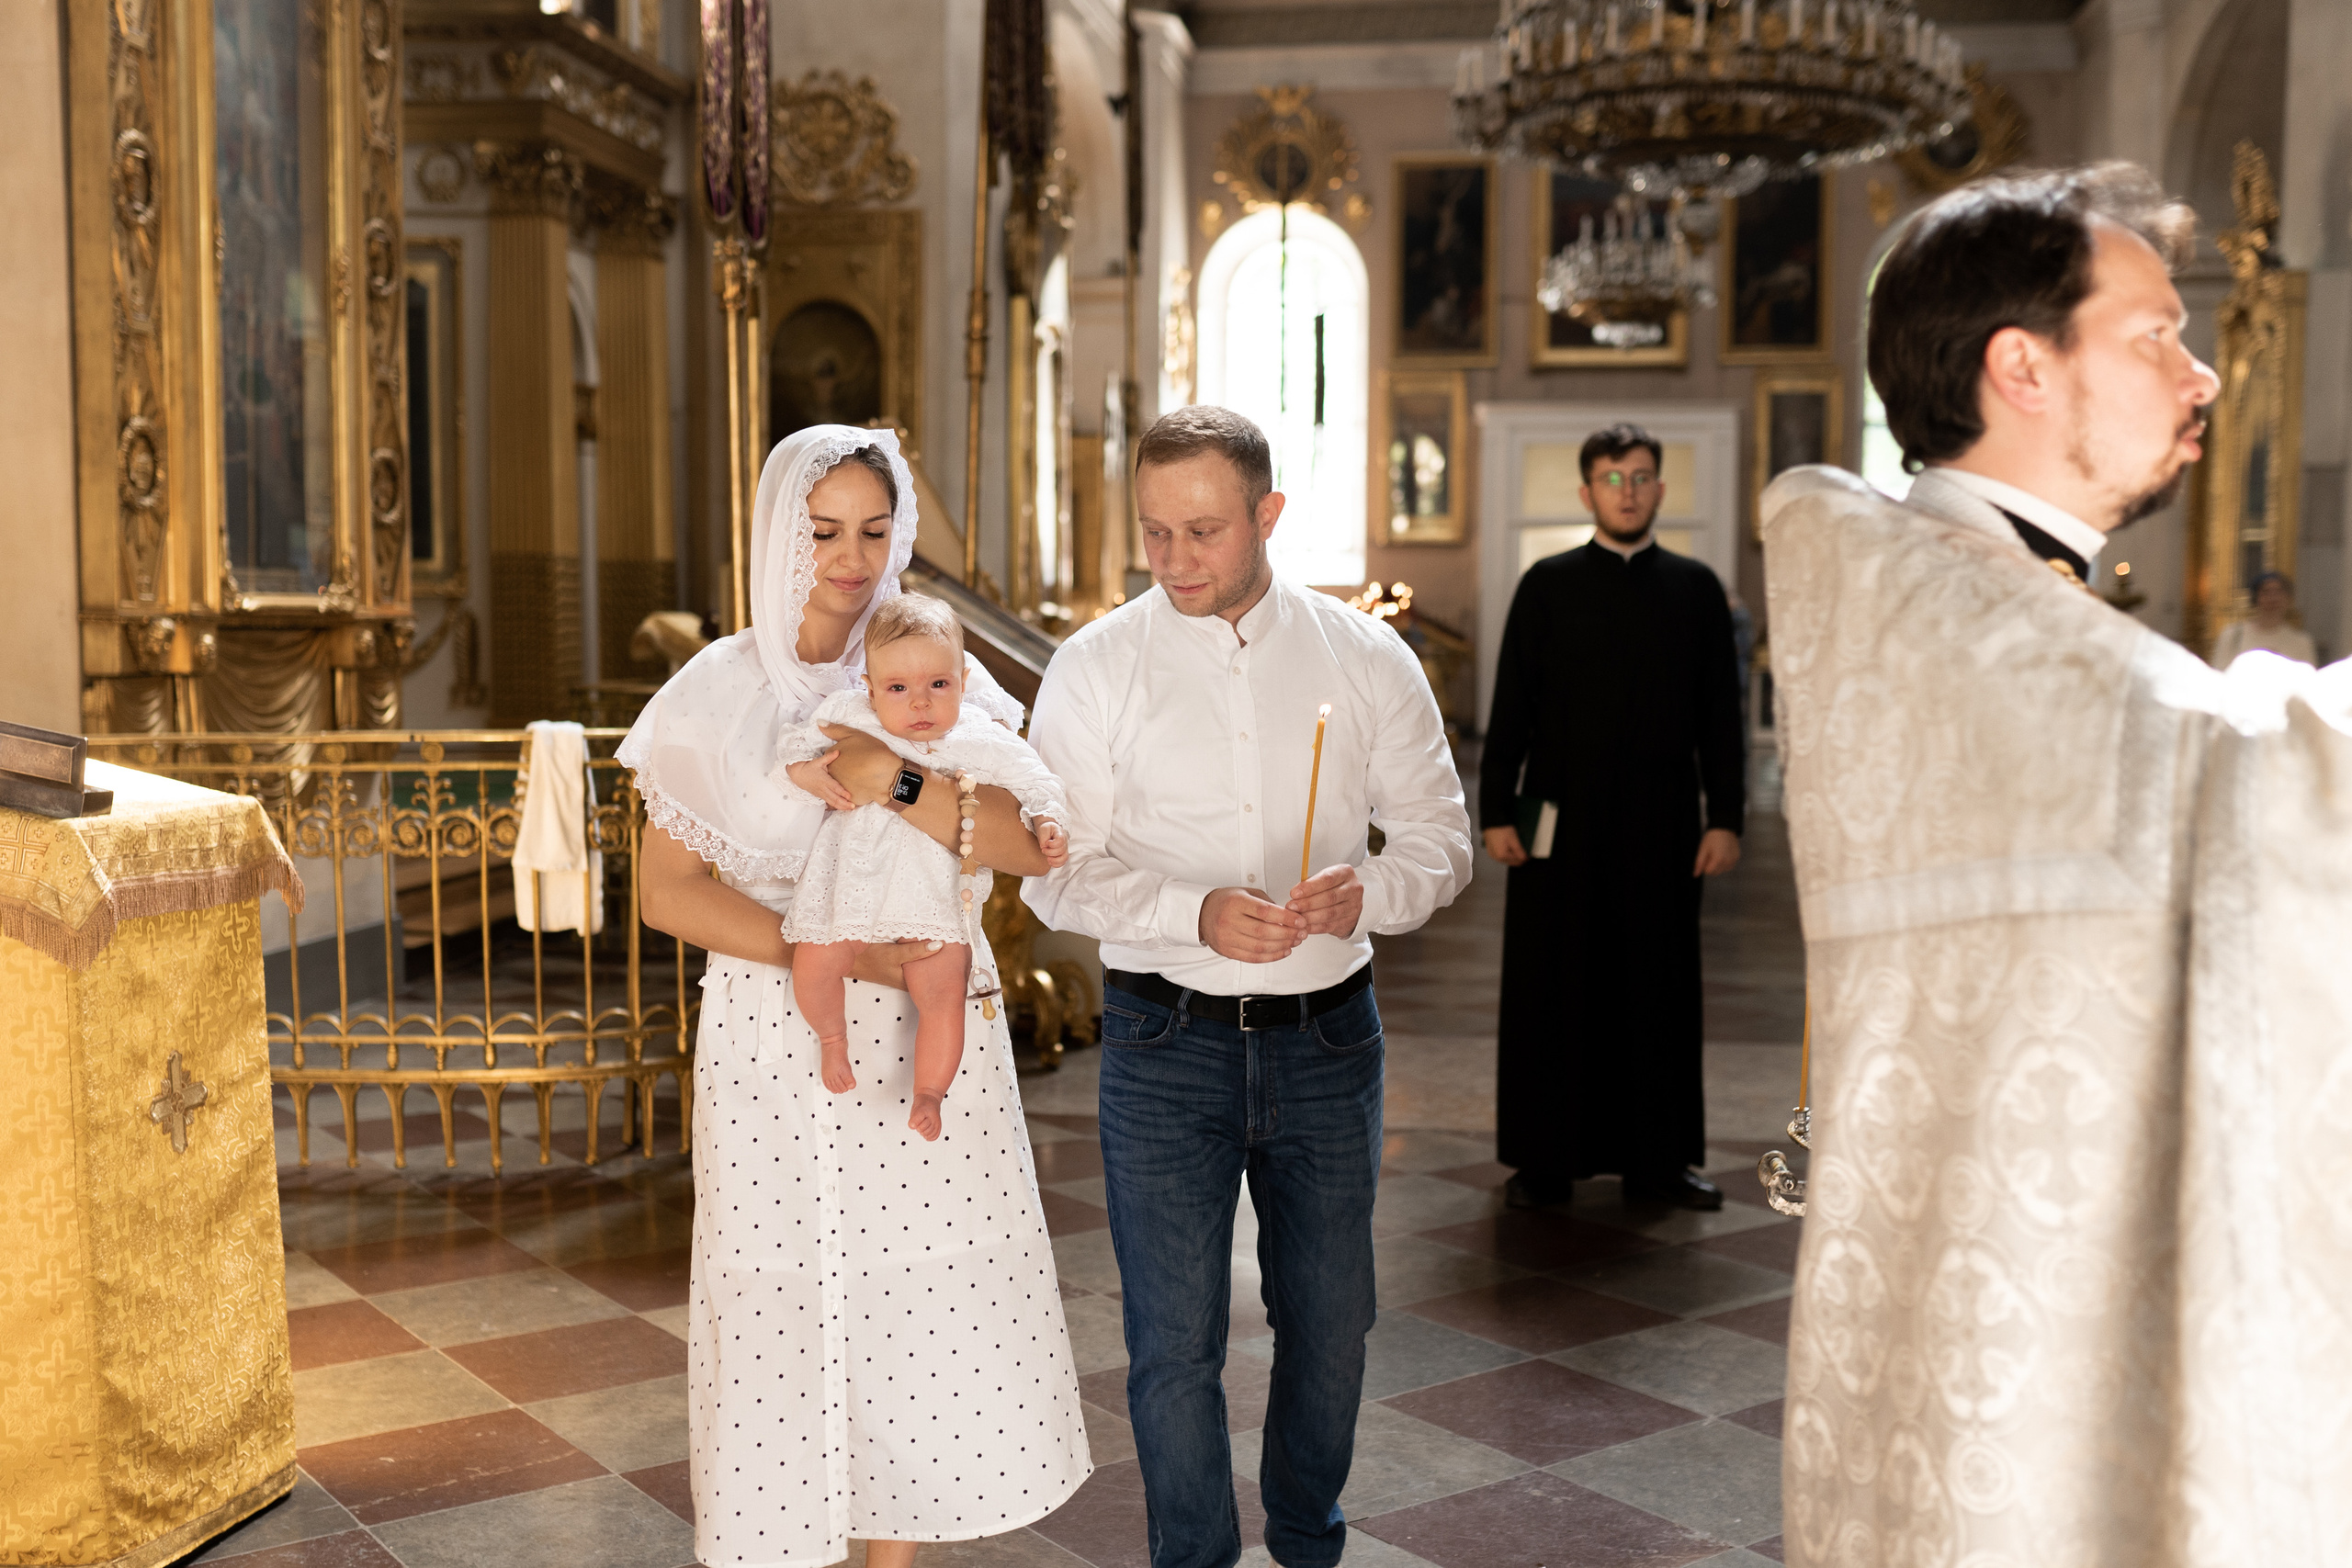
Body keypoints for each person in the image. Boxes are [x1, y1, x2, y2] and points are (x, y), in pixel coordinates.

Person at [1764, 164, 2352, 1565]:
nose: (2201, 370)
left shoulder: (1967, 591)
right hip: (2026, 1303)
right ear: (2021, 366)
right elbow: (2253, 791)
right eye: (2154, 330)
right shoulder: (1943, 605)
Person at [625, 427, 1091, 1568]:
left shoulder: (939, 666)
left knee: (915, 1306)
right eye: (823, 530)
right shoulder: (716, 694)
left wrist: (895, 775)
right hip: (779, 1030)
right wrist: (824, 950)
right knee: (783, 1297)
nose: (850, 557)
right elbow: (665, 892)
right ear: (779, 533)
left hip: (929, 1026)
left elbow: (1024, 854)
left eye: (874, 531)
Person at [1023, 405, 1473, 1568]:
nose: (1172, 561)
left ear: (1268, 515)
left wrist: (1366, 892)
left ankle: (1307, 1540)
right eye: (1154, 533)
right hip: (1162, 1038)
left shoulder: (1365, 657)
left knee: (1330, 1330)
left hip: (1328, 1042)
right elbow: (1052, 875)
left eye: (1203, 532)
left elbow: (1440, 838)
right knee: (1173, 1344)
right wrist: (1194, 913)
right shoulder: (1096, 666)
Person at [1480, 423, 1747, 1213]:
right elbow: (1511, 710)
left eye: (1639, 477)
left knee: (1658, 989)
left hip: (1664, 826)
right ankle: (1544, 1160)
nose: (1627, 491)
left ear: (1660, 490)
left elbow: (1720, 720)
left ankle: (1660, 1163)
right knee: (1551, 985)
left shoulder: (1697, 591)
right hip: (1554, 821)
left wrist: (1725, 816)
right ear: (1586, 491)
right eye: (1610, 477)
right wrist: (1497, 810)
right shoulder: (1546, 584)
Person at [778, 593, 1070, 1138]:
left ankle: (931, 1092)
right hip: (851, 886)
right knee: (814, 963)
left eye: (938, 685)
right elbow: (796, 742)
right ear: (869, 688)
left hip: (933, 896)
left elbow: (1036, 779)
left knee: (943, 996)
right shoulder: (854, 719)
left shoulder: (977, 736)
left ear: (962, 680)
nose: (920, 704)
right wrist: (804, 772)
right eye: (898, 689)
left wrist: (1048, 820)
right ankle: (833, 1040)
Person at [2208, 570, 2318, 666]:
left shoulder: (2301, 642)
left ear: (2288, 598)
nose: (2272, 599)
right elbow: (2220, 672)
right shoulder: (2232, 636)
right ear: (2256, 598)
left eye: (2278, 592)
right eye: (2266, 592)